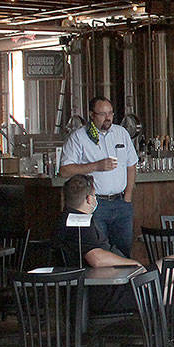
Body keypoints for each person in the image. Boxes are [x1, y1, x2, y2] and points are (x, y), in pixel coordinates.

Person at [59, 97, 138, 257]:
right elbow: (64, 171)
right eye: (102, 114)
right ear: (91, 115)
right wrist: (96, 166)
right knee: (99, 251)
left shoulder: (121, 133)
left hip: (121, 202)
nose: (108, 117)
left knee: (124, 251)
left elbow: (131, 164)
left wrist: (128, 196)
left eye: (110, 113)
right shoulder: (79, 137)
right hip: (95, 204)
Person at [54, 174, 142, 313]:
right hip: (102, 294)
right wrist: (133, 264)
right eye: (95, 196)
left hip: (102, 288)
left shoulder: (65, 219)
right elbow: (96, 258)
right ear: (89, 199)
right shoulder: (80, 224)